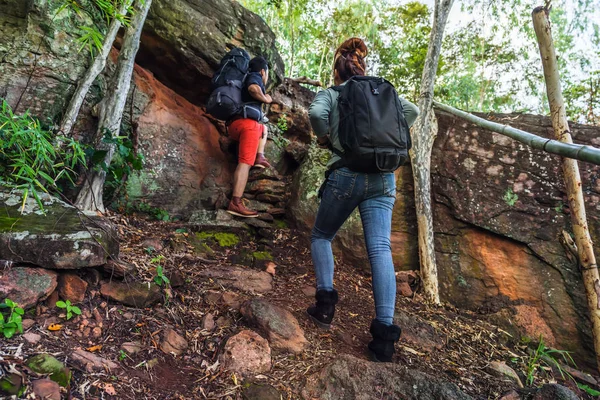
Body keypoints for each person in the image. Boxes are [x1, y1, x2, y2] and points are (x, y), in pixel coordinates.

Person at [306, 38, 420, 363]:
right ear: (361, 66)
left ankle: (325, 307)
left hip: (346, 173)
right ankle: (384, 338)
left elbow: (315, 113)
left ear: (337, 70)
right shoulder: (380, 93)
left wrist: (325, 136)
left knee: (322, 236)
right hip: (383, 176)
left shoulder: (333, 93)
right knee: (380, 249)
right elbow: (412, 110)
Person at [226, 56, 273, 218]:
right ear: (263, 71)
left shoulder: (243, 77)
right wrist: (266, 98)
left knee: (264, 128)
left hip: (236, 124)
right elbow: (253, 89)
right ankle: (235, 202)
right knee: (245, 163)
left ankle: (259, 157)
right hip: (247, 125)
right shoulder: (255, 76)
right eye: (266, 73)